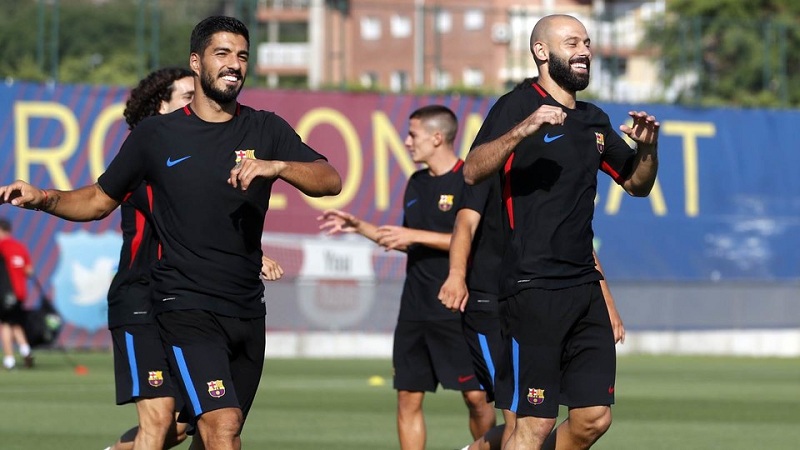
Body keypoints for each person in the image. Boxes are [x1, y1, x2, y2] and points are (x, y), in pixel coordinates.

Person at [0, 15, 341, 450]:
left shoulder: (266, 128)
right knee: (222, 425)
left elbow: (329, 179)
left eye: (242, 56)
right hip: (184, 303)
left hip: (247, 308)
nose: (234, 64)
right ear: (196, 62)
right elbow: (99, 199)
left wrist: (278, 166)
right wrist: (44, 197)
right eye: (222, 53)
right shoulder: (156, 135)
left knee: (212, 434)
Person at [462, 15, 659, 450]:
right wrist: (523, 129)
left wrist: (648, 149)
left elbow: (637, 184)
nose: (584, 51)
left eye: (586, 42)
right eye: (572, 43)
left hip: (584, 287)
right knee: (533, 424)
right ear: (541, 51)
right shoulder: (515, 106)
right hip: (532, 288)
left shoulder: (593, 120)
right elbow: (472, 171)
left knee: (593, 418)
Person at [439, 78, 627, 450]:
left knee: (587, 418)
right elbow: (465, 220)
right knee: (523, 420)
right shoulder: (493, 161)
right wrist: (457, 276)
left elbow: (575, 236)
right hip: (503, 297)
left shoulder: (577, 141)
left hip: (570, 290)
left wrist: (607, 301)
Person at [318, 105, 495, 450]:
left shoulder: (468, 179)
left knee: (477, 398)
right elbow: (406, 241)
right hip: (415, 308)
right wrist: (361, 227)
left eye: (413, 135)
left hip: (457, 307)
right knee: (408, 398)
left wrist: (415, 236)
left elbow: (471, 241)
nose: (407, 142)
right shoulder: (416, 183)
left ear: (437, 137)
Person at [104, 67, 195, 450]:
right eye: (188, 97)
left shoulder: (193, 156)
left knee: (183, 425)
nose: (197, 104)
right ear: (161, 105)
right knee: (157, 419)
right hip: (139, 297)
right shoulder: (144, 155)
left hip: (179, 301)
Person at [0, 218, 34, 370]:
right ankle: (25, 349)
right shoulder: (20, 246)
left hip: (5, 292)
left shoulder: (1, 246)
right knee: (15, 322)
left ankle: (9, 359)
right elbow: (29, 271)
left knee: (6, 324)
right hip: (20, 292)